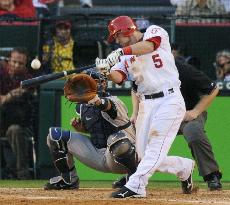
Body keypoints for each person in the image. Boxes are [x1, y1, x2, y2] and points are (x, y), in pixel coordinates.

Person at [96, 15, 195, 198]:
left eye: (117, 36)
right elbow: (118, 77)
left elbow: (149, 46)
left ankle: (136, 186)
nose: (116, 41)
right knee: (143, 157)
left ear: (126, 30)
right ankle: (184, 166)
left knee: (155, 148)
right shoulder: (125, 56)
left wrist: (121, 52)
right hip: (146, 105)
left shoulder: (154, 32)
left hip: (169, 100)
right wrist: (106, 72)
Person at [44, 70, 137, 190]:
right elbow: (101, 129)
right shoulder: (82, 107)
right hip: (97, 154)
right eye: (85, 83)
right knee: (55, 136)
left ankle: (133, 179)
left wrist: (96, 100)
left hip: (123, 156)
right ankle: (69, 180)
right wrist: (82, 128)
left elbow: (106, 106)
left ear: (103, 84)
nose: (87, 86)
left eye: (93, 82)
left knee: (116, 140)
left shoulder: (114, 101)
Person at [0, 47, 36, 179]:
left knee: (14, 130)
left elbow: (23, 97)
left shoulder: (28, 79)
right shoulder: (1, 73)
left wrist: (7, 97)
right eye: (14, 61)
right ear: (9, 60)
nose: (16, 65)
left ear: (25, 65)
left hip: (18, 123)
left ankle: (22, 174)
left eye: (20, 63)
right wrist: (9, 96)